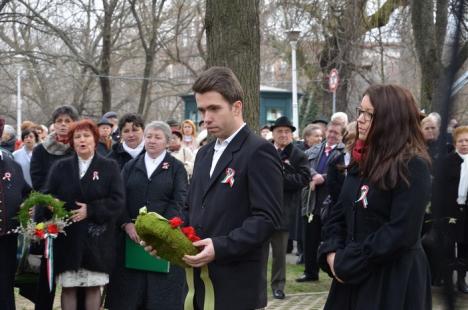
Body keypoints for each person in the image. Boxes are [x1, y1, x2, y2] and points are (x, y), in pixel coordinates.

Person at [146, 67, 283, 309]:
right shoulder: (204, 153)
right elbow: (191, 207)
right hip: (198, 283)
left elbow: (266, 219)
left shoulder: (259, 151)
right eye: (202, 110)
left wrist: (219, 247)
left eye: (214, 108)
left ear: (237, 107)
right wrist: (167, 239)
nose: (206, 117)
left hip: (236, 285)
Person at [318, 84, 432, 309]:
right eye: (359, 111)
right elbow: (340, 212)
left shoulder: (413, 165)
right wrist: (332, 253)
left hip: (391, 279)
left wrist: (350, 262)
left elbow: (402, 231)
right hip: (351, 274)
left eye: (368, 114)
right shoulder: (361, 160)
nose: (360, 119)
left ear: (391, 119)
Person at [43, 119, 124, 310]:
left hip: (97, 239)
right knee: (68, 288)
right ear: (71, 142)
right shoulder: (60, 167)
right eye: (77, 136)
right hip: (68, 237)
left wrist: (91, 210)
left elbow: (118, 201)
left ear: (95, 140)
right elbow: (46, 194)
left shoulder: (109, 167)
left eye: (86, 135)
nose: (82, 140)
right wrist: (50, 203)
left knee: (93, 287)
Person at [107, 121, 188, 310]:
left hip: (163, 238)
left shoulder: (176, 168)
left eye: (158, 137)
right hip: (131, 238)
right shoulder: (130, 166)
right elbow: (119, 198)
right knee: (129, 295)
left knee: (161, 296)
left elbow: (180, 200)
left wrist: (160, 227)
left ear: (167, 142)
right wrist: (127, 223)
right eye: (149, 136)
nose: (152, 141)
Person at [30, 105, 79, 310]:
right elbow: (37, 179)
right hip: (48, 213)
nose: (63, 125)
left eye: (67, 121)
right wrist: (50, 200)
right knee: (47, 272)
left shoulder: (80, 146)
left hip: (75, 214)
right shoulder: (42, 149)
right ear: (53, 124)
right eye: (59, 121)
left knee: (75, 272)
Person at [297, 120, 345, 282]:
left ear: (341, 135)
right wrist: (312, 175)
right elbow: (303, 164)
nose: (331, 135)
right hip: (312, 200)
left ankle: (334, 271)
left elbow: (340, 173)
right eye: (330, 131)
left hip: (331, 201)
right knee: (310, 237)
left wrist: (322, 178)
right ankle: (310, 272)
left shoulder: (343, 152)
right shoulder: (315, 149)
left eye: (336, 133)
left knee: (331, 237)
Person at [269, 116, 310, 299]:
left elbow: (303, 179)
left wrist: (281, 177)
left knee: (279, 253)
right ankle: (255, 284)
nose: (283, 135)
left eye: (287, 131)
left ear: (292, 134)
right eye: (280, 131)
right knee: (258, 251)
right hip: (262, 208)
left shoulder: (298, 155)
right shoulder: (266, 151)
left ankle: (278, 286)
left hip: (284, 210)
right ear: (273, 134)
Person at [431, 125, 468, 293]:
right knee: (448, 244)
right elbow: (439, 187)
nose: (464, 144)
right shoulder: (447, 161)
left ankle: (461, 279)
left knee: (465, 246)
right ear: (454, 143)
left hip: (466, 210)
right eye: (460, 141)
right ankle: (445, 277)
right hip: (450, 210)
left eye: (467, 140)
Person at [0, 116, 31, 310]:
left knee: (4, 287)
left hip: (7, 239)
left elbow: (27, 194)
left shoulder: (12, 164)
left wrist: (29, 205)